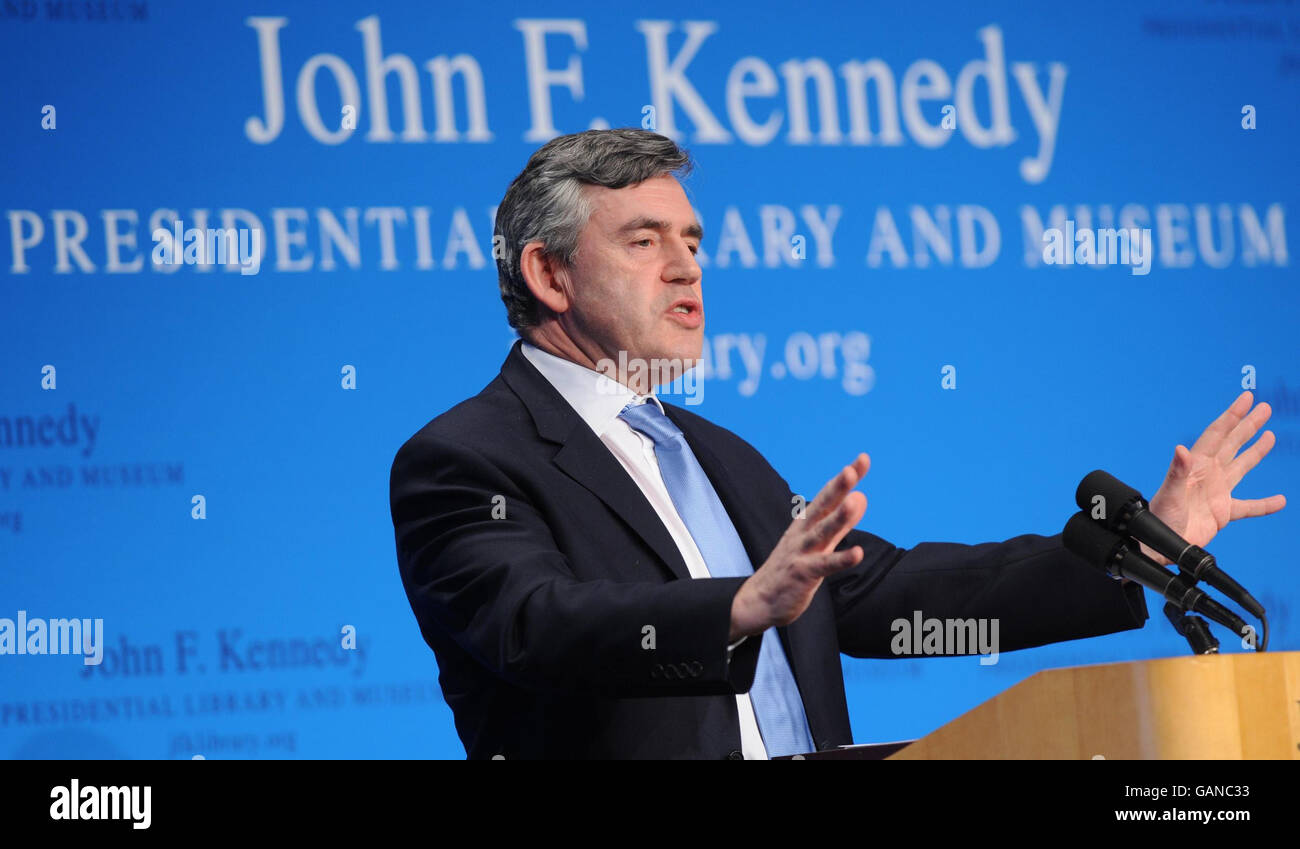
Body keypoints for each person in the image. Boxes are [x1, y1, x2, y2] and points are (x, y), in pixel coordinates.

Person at [389, 129, 1286, 759]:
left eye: (694, 240)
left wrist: (1134, 554)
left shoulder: (718, 454)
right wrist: (737, 607)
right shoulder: (466, 459)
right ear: (548, 272)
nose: (687, 265)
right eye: (644, 240)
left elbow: (884, 596)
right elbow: (538, 627)